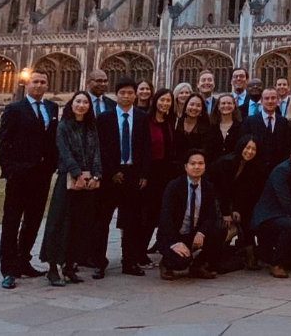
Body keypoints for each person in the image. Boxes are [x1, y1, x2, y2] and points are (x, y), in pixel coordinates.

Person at [0, 69, 58, 289]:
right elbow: (3, 143)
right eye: (36, 82)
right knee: (11, 222)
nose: (39, 85)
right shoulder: (14, 109)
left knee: (32, 221)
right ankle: (8, 269)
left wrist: (51, 166)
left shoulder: (51, 108)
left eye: (43, 82)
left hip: (41, 176)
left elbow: (51, 141)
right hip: (19, 176)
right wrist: (11, 170)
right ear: (27, 85)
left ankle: (24, 261)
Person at [39, 90, 99, 286]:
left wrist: (97, 174)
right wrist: (76, 172)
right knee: (60, 222)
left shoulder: (91, 127)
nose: (81, 105)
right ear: (72, 104)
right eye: (78, 101)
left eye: (85, 102)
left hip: (88, 180)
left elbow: (97, 152)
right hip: (68, 179)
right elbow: (63, 151)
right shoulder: (63, 126)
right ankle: (53, 268)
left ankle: (70, 265)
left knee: (80, 223)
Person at [94, 76, 151, 279]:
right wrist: (111, 172)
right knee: (103, 221)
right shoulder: (104, 118)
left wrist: (144, 174)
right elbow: (101, 148)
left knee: (131, 222)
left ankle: (129, 262)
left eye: (130, 93)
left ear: (135, 95)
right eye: (122, 93)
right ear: (116, 95)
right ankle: (99, 262)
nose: (126, 96)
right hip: (111, 175)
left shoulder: (143, 117)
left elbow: (146, 148)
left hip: (133, 173)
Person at [251, 143, 291, 278]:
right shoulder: (281, 171)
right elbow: (286, 201)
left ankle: (266, 254)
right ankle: (276, 264)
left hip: (286, 216)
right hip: (268, 216)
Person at [157, 149, 221, 280]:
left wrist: (201, 232)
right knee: (180, 262)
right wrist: (175, 242)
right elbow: (165, 217)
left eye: (200, 163)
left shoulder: (208, 187)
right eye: (193, 163)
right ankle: (166, 264)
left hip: (194, 233)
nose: (197, 167)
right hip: (174, 235)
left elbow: (211, 215)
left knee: (219, 230)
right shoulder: (174, 186)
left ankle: (198, 266)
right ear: (186, 166)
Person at [210, 135, 264, 270]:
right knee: (228, 226)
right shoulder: (226, 162)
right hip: (214, 197)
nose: (250, 152)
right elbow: (221, 189)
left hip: (231, 200)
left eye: (253, 149)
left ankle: (250, 257)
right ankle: (211, 257)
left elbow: (243, 192)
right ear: (241, 146)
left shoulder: (252, 166)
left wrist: (237, 209)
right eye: (247, 148)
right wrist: (226, 213)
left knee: (246, 217)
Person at [142, 88, 177, 264]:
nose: (165, 104)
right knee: (146, 213)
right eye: (162, 100)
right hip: (150, 172)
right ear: (155, 101)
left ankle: (156, 248)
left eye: (168, 101)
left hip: (166, 173)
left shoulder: (170, 122)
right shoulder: (146, 121)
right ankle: (138, 251)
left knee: (159, 213)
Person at [241, 87, 291, 173]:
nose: (270, 101)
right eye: (267, 98)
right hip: (254, 171)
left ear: (278, 101)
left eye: (273, 98)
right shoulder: (249, 121)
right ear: (261, 101)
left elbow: (287, 147)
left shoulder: (284, 122)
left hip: (278, 171)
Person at [175, 94, 211, 165]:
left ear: (202, 109)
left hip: (196, 167)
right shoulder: (176, 123)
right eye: (191, 104)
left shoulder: (207, 127)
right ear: (186, 106)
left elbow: (207, 151)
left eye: (198, 105)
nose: (194, 108)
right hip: (175, 166)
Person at [207, 93, 243, 162]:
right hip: (213, 167)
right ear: (218, 106)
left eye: (229, 103)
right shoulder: (211, 127)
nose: (226, 105)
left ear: (234, 106)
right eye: (223, 103)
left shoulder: (241, 126)